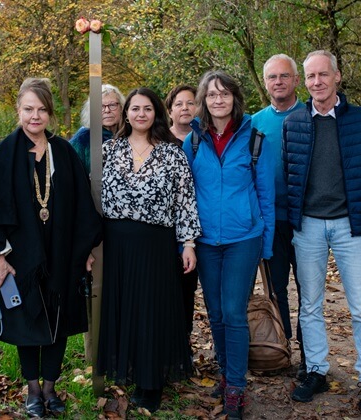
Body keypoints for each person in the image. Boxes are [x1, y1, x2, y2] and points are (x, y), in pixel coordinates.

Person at [0, 78, 101, 418]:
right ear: (18, 110)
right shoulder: (2, 155)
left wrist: (84, 249)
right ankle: (32, 390)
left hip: (60, 252)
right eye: (28, 109)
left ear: (50, 113)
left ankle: (50, 387)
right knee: (27, 323)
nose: (35, 116)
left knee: (57, 320)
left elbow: (82, 207)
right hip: (20, 257)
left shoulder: (65, 153)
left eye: (42, 109)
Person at [283, 50, 361, 415]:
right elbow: (291, 176)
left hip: (350, 226)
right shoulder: (294, 122)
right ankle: (317, 371)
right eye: (310, 77)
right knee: (309, 305)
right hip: (308, 226)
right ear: (304, 81)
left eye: (323, 75)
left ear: (337, 76)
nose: (316, 83)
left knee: (360, 307)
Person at [97, 87, 201, 413]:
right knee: (124, 308)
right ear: (126, 113)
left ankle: (151, 381)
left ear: (156, 113)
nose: (141, 114)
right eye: (135, 108)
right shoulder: (108, 150)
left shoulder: (173, 153)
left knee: (150, 311)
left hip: (156, 243)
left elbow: (185, 200)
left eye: (147, 109)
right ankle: (127, 370)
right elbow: (93, 202)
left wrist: (188, 243)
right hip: (116, 245)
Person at [182, 70, 275, 420]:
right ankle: (225, 374)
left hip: (243, 239)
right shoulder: (193, 141)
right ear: (204, 101)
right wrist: (187, 241)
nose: (218, 100)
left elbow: (265, 195)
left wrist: (264, 246)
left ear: (235, 98)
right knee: (217, 313)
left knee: (235, 312)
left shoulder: (254, 139)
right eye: (211, 95)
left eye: (224, 94)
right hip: (206, 241)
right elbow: (184, 194)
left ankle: (236, 387)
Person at [251, 54, 306, 379]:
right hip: (271, 220)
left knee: (309, 289)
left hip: (308, 219)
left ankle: (311, 357)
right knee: (277, 288)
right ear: (265, 82)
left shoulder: (311, 114)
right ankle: (282, 348)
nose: (278, 82)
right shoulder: (256, 122)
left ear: (296, 80)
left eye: (284, 76)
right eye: (272, 77)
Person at [165, 84, 200, 340]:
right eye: (179, 104)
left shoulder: (206, 139)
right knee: (169, 289)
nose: (185, 108)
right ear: (169, 111)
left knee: (189, 287)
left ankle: (184, 344)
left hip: (200, 225)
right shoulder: (161, 142)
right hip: (167, 229)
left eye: (190, 103)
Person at [69, 84, 125, 174]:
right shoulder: (82, 139)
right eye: (101, 106)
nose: (107, 110)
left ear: (121, 108)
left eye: (112, 105)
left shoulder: (129, 134)